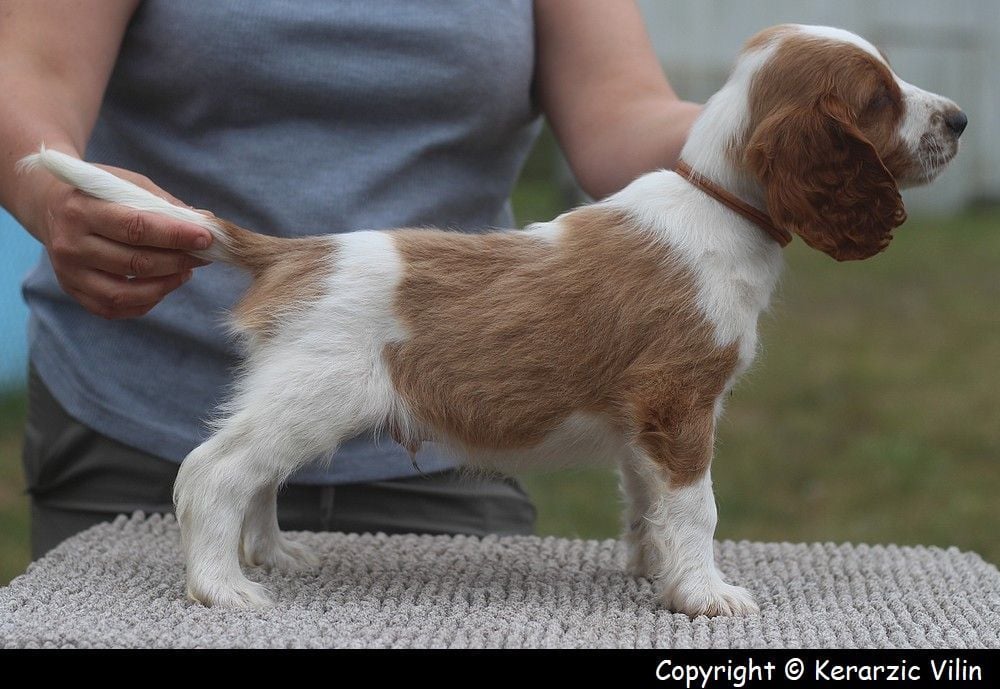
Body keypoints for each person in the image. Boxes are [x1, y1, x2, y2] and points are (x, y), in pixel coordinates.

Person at [0, 0, 700, 559]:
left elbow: (619, 112)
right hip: (138, 411)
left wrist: (751, 133)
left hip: (459, 413)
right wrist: (47, 191)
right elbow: (26, 76)